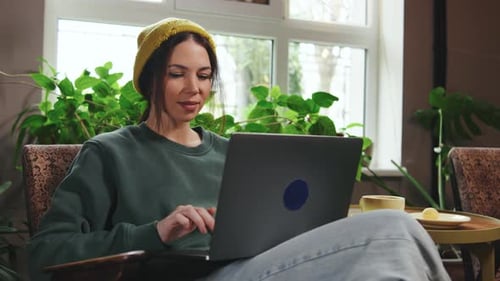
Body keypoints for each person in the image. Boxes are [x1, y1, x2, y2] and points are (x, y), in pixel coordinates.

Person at [28, 17, 451, 281]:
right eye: (178, 74)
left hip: (258, 268)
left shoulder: (235, 153)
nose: (194, 89)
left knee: (390, 250)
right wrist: (155, 232)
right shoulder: (109, 153)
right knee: (393, 230)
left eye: (205, 75)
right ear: (149, 78)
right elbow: (47, 253)